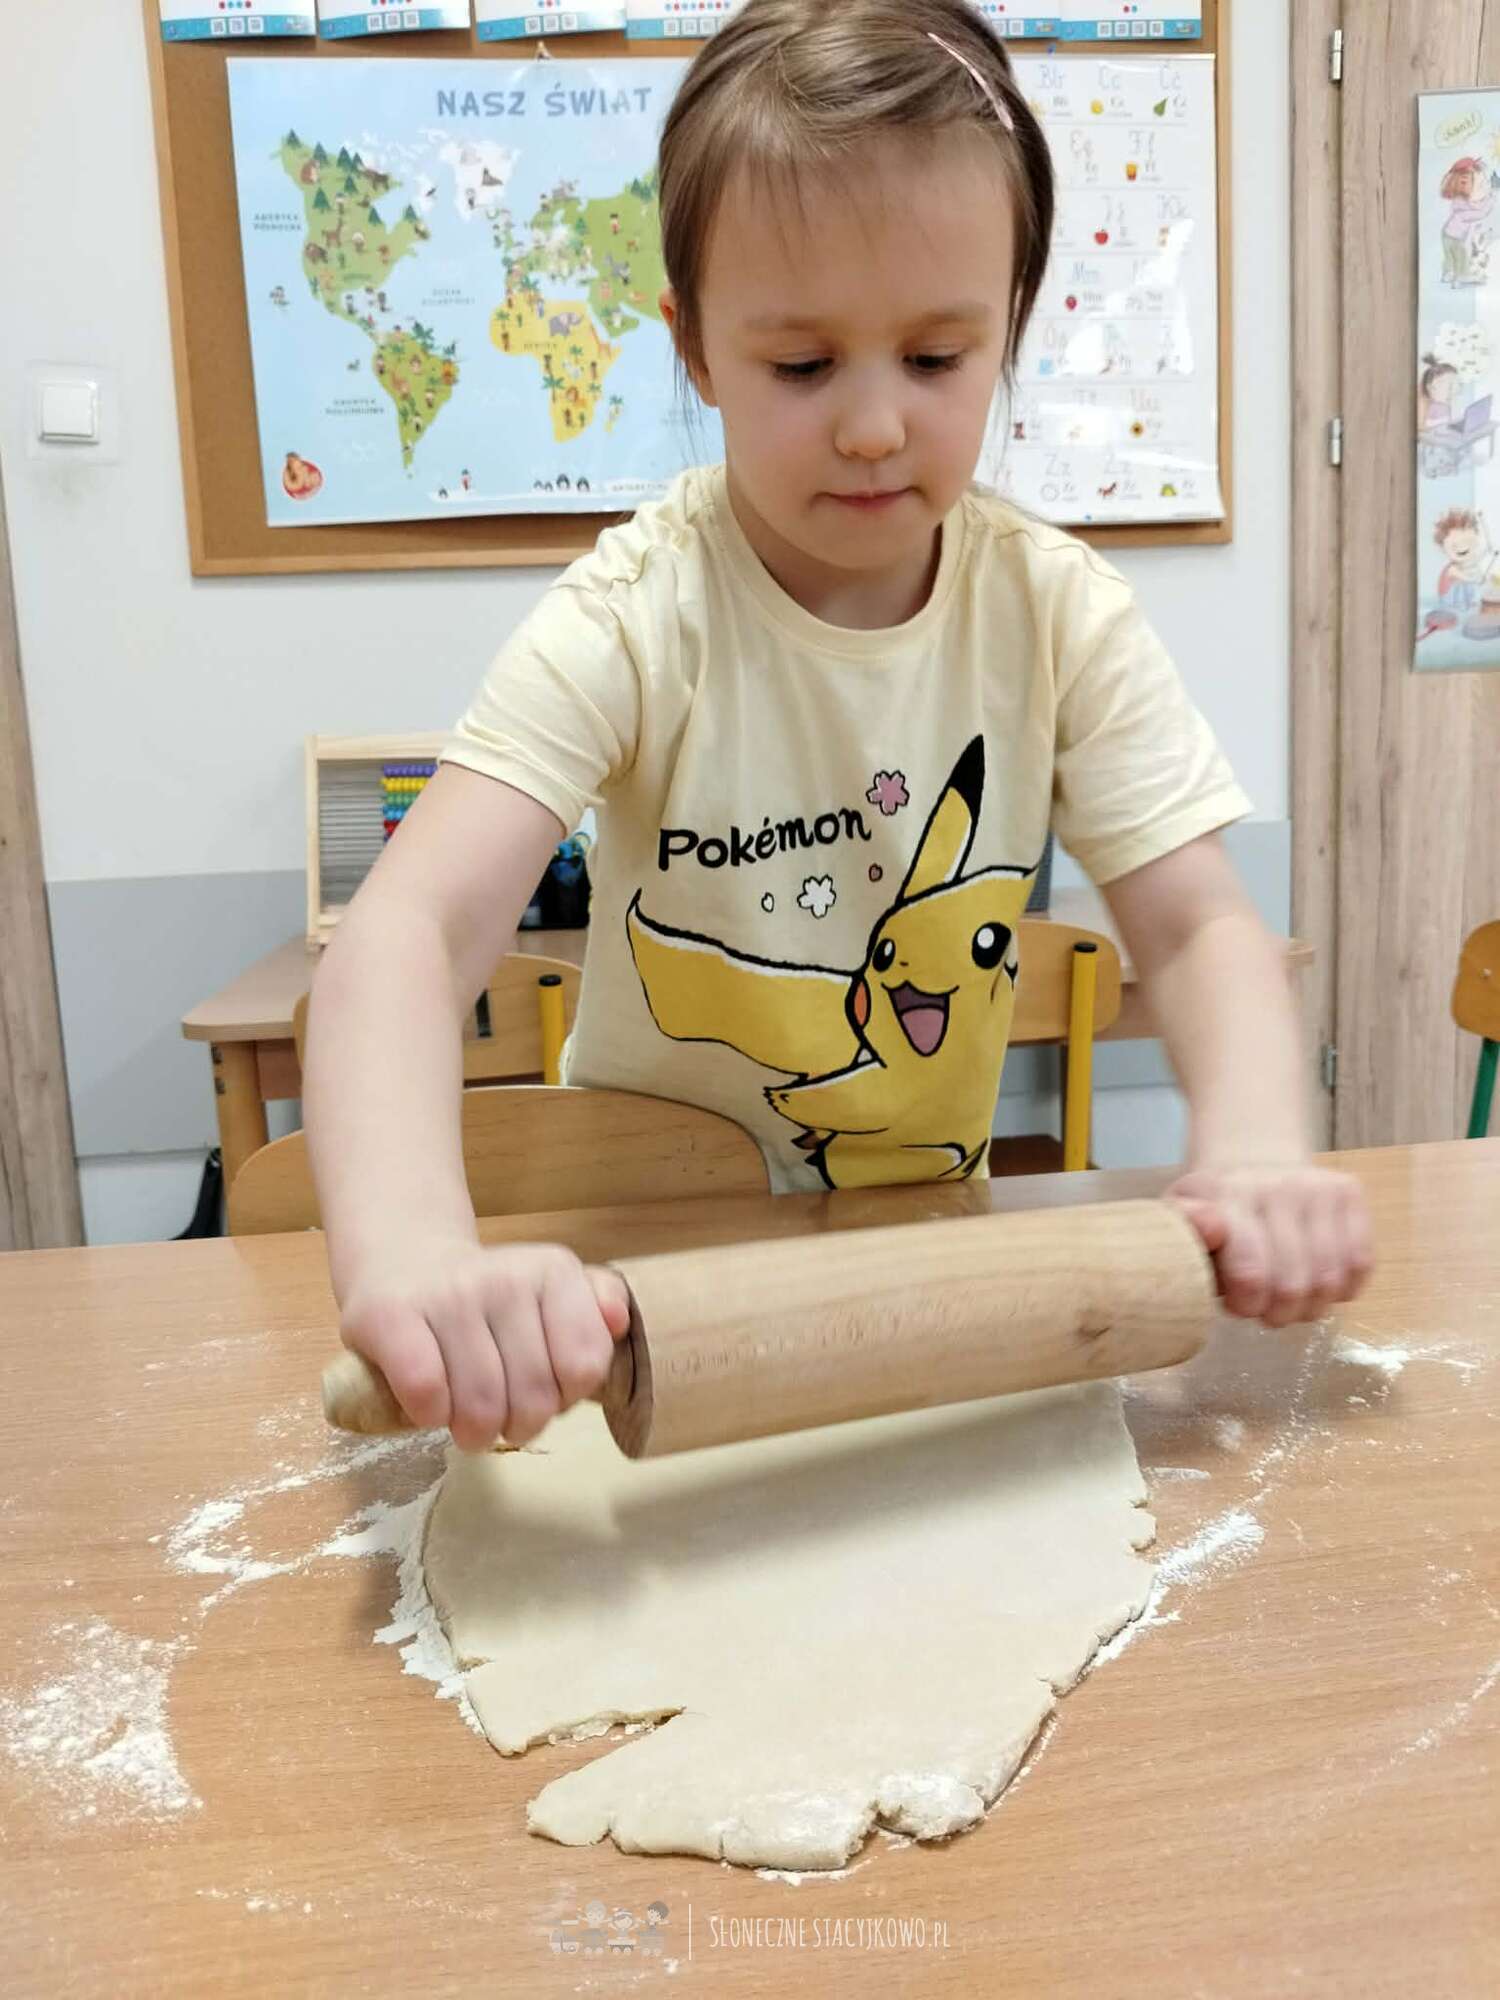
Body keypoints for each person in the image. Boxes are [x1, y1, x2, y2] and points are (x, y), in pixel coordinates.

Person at [303, 0, 1373, 1454]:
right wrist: (413, 1246)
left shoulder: (1056, 614)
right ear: (693, 349)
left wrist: (1255, 1152)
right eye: (803, 367)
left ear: (1009, 325)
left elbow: (1197, 934)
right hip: (643, 1292)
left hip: (906, 1269)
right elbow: (409, 936)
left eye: (936, 359)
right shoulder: (639, 614)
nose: (874, 426)